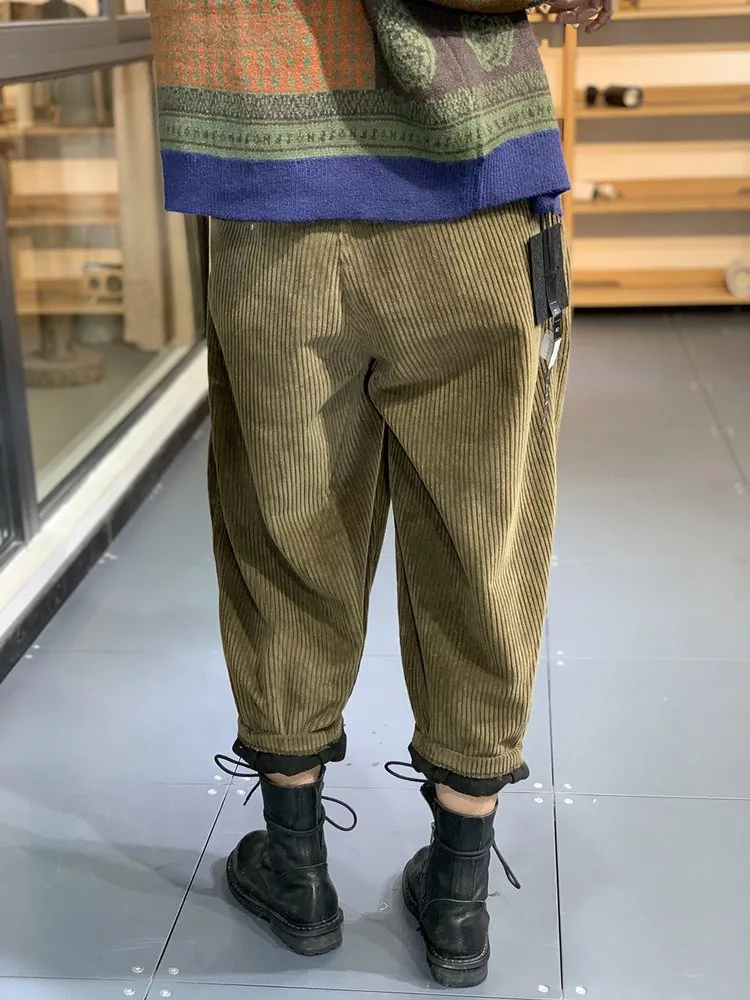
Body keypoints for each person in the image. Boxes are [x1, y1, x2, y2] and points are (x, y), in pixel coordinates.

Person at [150, 0, 610, 988]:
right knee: (482, 535)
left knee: (282, 524)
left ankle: (296, 867)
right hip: (469, 184)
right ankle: (457, 895)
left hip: (268, 184)